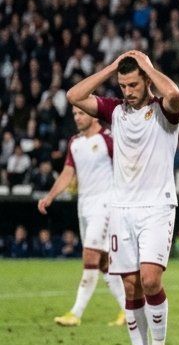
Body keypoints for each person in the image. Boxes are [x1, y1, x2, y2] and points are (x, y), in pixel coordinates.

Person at [67, 50, 179, 345]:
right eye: (123, 85)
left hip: (157, 207)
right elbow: (74, 96)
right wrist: (111, 68)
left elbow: (174, 94)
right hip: (121, 210)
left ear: (147, 80)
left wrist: (146, 65)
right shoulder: (115, 111)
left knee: (150, 280)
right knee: (130, 286)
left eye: (133, 84)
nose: (127, 91)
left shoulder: (164, 112)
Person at [40, 106, 128, 327]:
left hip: (105, 203)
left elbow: (127, 166)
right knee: (102, 263)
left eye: (81, 113)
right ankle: (129, 310)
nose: (77, 118)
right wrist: (50, 196)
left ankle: (75, 313)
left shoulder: (108, 139)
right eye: (75, 115)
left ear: (92, 113)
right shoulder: (75, 143)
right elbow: (68, 173)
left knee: (89, 256)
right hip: (84, 205)